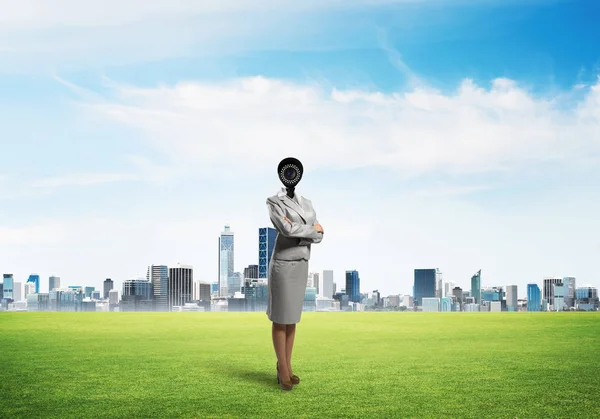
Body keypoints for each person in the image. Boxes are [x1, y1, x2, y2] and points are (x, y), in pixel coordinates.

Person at [266, 157, 324, 391]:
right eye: (287, 172)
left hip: (301, 263)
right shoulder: (273, 201)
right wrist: (310, 230)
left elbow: (321, 235)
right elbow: (285, 228)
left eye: (294, 171)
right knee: (281, 318)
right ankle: (282, 369)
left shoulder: (307, 203)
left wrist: (303, 231)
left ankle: (287, 367)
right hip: (283, 264)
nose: (290, 175)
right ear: (282, 175)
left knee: (292, 319)